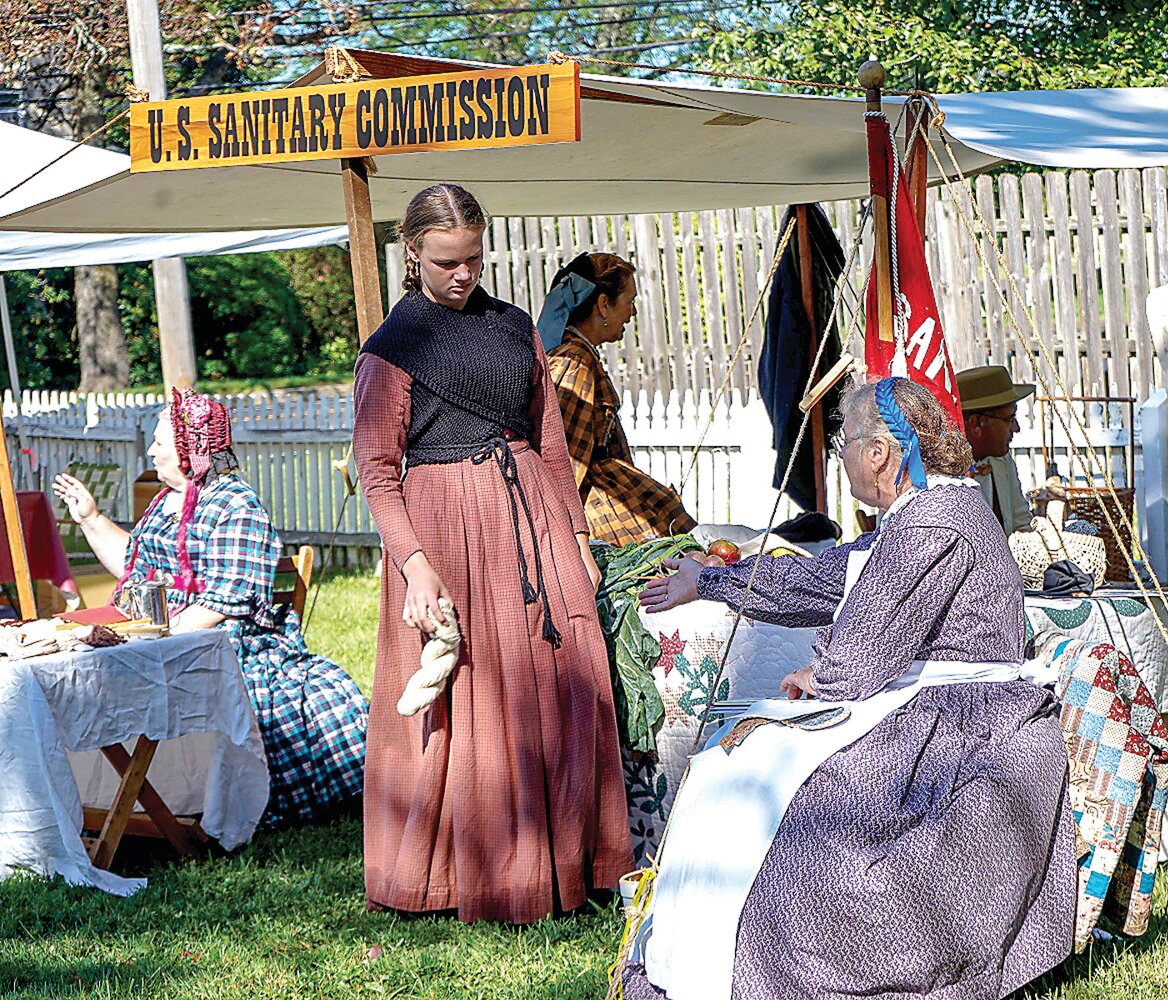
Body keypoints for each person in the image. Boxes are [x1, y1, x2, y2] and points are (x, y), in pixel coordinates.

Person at [622, 378, 1075, 999]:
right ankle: (709, 956)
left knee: (776, 790)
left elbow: (865, 652)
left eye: (845, 440)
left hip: (964, 724)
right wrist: (711, 582)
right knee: (734, 761)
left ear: (881, 454)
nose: (839, 453)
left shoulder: (934, 525)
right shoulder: (922, 514)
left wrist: (824, 674)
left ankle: (763, 967)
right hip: (931, 704)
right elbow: (827, 577)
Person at [352, 184, 633, 923]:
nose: (462, 274)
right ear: (412, 254)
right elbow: (377, 471)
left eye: (474, 258)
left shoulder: (513, 328)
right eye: (446, 261)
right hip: (445, 535)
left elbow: (548, 438)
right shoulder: (391, 349)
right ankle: (464, 875)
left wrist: (575, 541)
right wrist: (415, 565)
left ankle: (576, 860)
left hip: (533, 517)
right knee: (473, 698)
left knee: (572, 673)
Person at [52, 390, 367, 829]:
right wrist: (90, 518)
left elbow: (227, 600)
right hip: (166, 632)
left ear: (190, 448)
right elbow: (137, 565)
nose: (151, 451)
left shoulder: (236, 506)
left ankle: (176, 805)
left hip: (225, 642)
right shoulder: (165, 504)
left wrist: (159, 643)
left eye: (160, 442)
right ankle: (99, 802)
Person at [540, 252, 696, 546]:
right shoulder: (574, 363)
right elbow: (563, 464)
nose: (633, 312)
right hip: (596, 514)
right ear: (603, 305)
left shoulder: (579, 358)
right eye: (629, 301)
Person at [957, 363, 1035, 534]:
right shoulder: (942, 474)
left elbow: (1021, 521)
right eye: (1009, 418)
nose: (1016, 428)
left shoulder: (1003, 461)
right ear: (976, 423)